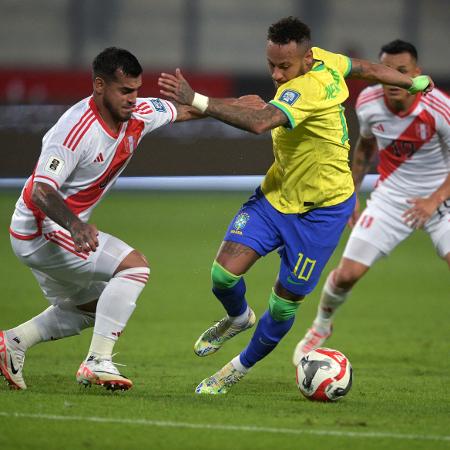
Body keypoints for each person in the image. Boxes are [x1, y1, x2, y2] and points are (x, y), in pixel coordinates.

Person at [158, 18, 434, 394]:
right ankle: (239, 318)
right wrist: (410, 81)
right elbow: (366, 68)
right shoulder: (325, 60)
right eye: (271, 64)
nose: (275, 74)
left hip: (323, 212)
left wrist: (198, 100)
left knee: (285, 303)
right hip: (277, 194)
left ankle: (236, 369)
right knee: (223, 276)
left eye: (283, 66)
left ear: (305, 61)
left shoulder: (307, 88)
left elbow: (259, 123)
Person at [0, 47, 208, 391]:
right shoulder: (73, 130)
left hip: (49, 232)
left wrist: (242, 106)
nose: (133, 98)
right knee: (135, 267)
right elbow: (40, 191)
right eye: (124, 91)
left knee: (95, 308)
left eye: (137, 90)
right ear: (99, 85)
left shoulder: (138, 114)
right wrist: (76, 225)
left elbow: (189, 108)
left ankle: (14, 343)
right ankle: (97, 362)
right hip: (40, 230)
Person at [292, 39, 449, 366]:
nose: (393, 78)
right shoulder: (368, 102)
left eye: (401, 71)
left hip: (442, 197)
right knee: (346, 274)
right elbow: (364, 149)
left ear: (416, 74)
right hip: (391, 198)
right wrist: (351, 193)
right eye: (387, 71)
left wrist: (434, 201)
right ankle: (321, 326)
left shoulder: (439, 108)